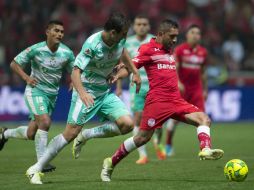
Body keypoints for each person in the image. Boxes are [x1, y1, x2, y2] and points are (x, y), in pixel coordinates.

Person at [100, 19, 224, 182]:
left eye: (176, 36)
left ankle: (205, 149)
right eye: (171, 36)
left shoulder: (169, 49)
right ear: (160, 34)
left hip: (176, 100)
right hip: (157, 102)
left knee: (204, 119)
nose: (174, 40)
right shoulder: (147, 49)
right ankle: (110, 162)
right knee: (141, 138)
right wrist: (118, 75)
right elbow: (131, 67)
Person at [25, 12, 141, 185]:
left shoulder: (120, 40)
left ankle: (86, 135)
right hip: (86, 91)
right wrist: (83, 93)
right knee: (70, 132)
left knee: (127, 124)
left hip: (104, 91)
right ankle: (35, 168)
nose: (125, 37)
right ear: (112, 33)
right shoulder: (92, 44)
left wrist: (135, 72)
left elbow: (123, 52)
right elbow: (75, 71)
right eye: (123, 34)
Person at [0, 20, 75, 172]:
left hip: (52, 95)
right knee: (45, 122)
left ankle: (5, 134)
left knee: (31, 133)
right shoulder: (36, 49)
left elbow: (74, 70)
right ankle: (41, 163)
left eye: (61, 31)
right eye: (56, 30)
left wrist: (74, 81)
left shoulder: (67, 52)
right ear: (47, 32)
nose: (60, 34)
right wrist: (27, 78)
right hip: (35, 91)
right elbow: (14, 64)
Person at [115, 15, 165, 165]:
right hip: (136, 86)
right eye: (138, 24)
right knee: (137, 119)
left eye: (144, 24)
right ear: (134, 27)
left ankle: (157, 141)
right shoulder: (127, 43)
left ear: (149, 26)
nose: (141, 26)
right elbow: (122, 64)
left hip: (155, 85)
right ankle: (142, 155)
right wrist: (118, 87)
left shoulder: (155, 41)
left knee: (158, 122)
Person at [165, 24, 208, 156]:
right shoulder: (180, 50)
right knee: (175, 119)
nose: (196, 35)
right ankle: (168, 143)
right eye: (193, 32)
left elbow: (203, 73)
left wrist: (205, 89)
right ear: (187, 35)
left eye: (198, 33)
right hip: (182, 89)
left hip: (196, 90)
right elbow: (174, 68)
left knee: (203, 118)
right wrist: (177, 82)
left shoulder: (203, 52)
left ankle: (205, 148)